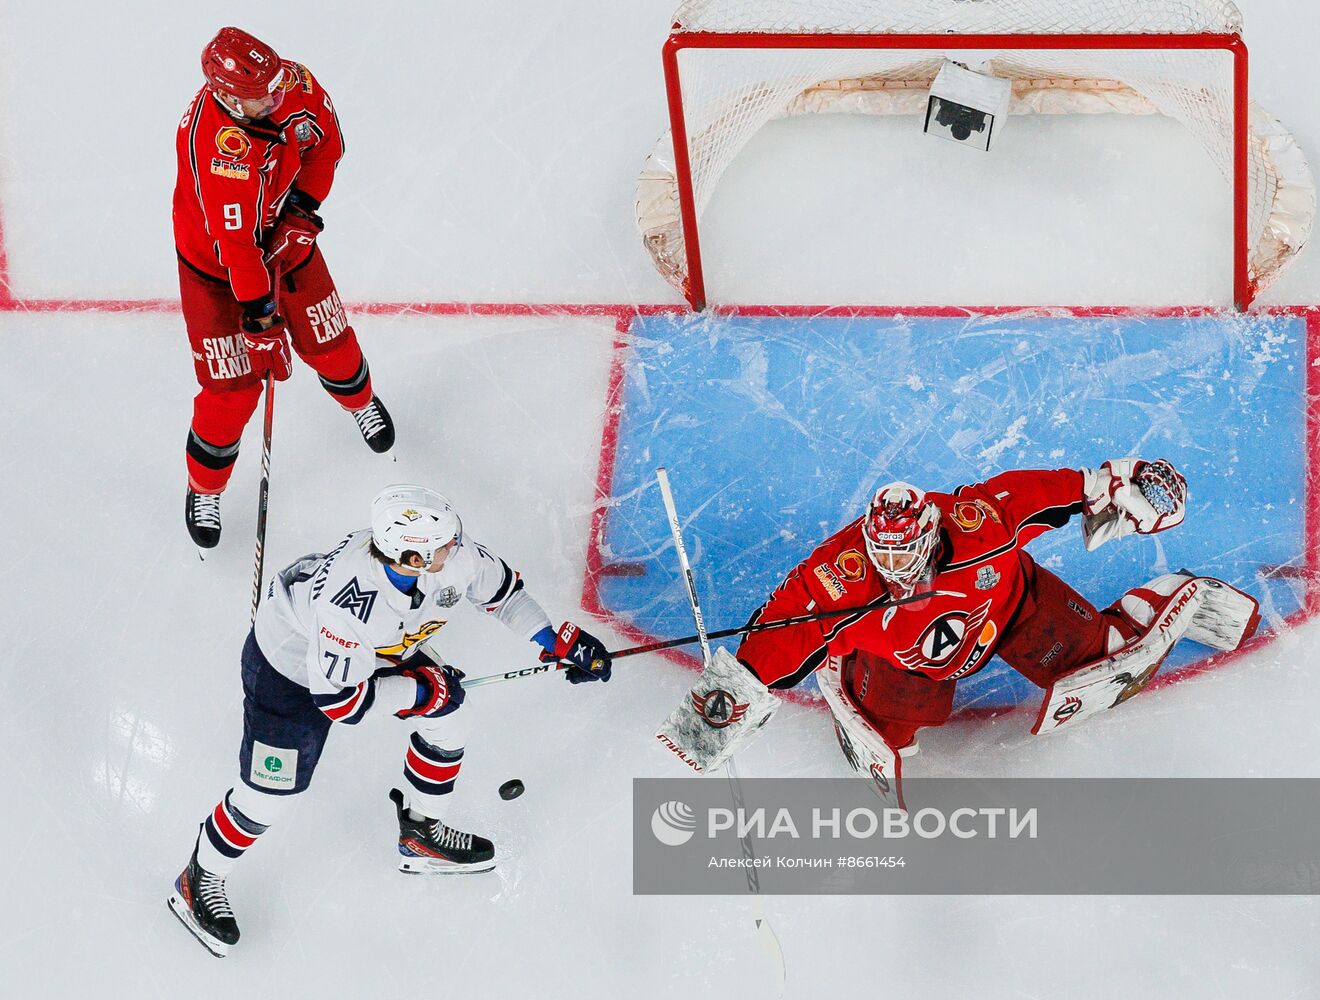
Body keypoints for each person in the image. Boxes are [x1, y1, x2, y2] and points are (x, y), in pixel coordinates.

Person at [168, 484, 613, 958]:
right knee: (269, 795)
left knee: (451, 719)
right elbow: (341, 703)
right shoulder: (350, 607)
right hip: (290, 671)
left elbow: (501, 595)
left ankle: (421, 834)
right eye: (445, 545)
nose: (458, 546)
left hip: (375, 649)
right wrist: (423, 691)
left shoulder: (443, 555)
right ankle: (200, 876)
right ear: (413, 559)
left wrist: (554, 640)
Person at [657, 460, 1261, 799]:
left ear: (930, 533)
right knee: (890, 731)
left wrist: (1116, 487)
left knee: (1104, 654)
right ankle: (859, 683)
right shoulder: (838, 579)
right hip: (908, 664)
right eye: (884, 559)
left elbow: (1052, 492)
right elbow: (780, 631)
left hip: (1014, 610)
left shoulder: (980, 524)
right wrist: (721, 704)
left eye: (907, 556)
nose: (896, 572)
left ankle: (1165, 597)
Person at [174, 26, 395, 550]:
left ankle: (360, 401)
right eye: (263, 97)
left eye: (277, 87)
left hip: (284, 238)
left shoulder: (289, 82)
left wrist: (302, 210)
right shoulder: (217, 149)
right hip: (216, 270)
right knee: (232, 392)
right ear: (230, 99)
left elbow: (326, 146)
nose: (278, 98)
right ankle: (205, 487)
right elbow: (237, 249)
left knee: (331, 341)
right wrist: (261, 319)